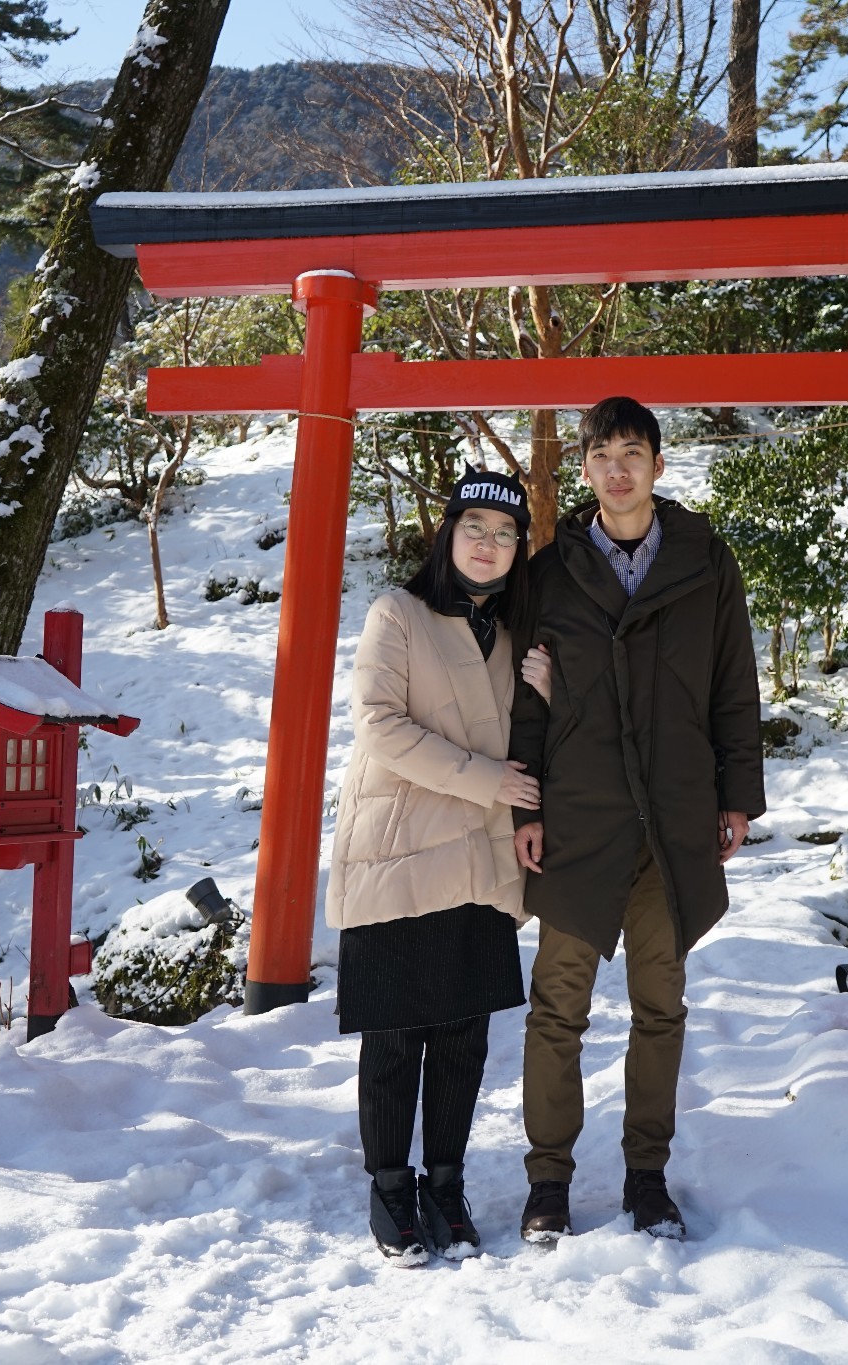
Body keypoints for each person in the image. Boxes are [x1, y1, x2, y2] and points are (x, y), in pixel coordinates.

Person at [508, 395, 764, 1242]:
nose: (617, 470)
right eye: (601, 456)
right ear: (583, 470)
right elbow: (526, 696)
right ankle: (548, 1181)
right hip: (580, 815)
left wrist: (737, 796)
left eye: (632, 452)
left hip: (674, 813)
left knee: (662, 1003)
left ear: (658, 462)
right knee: (558, 1008)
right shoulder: (551, 569)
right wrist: (527, 802)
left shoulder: (706, 560)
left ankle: (646, 1176)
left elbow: (735, 685)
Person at [325, 469, 539, 1264]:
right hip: (399, 847)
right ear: (447, 535)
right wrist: (489, 780)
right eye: (474, 527)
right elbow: (379, 724)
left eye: (505, 534)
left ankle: (444, 1186)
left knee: (462, 1035)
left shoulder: (517, 636)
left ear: (519, 551)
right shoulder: (399, 614)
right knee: (392, 1035)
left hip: (480, 860)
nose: (488, 544)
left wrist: (547, 692)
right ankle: (390, 1189)